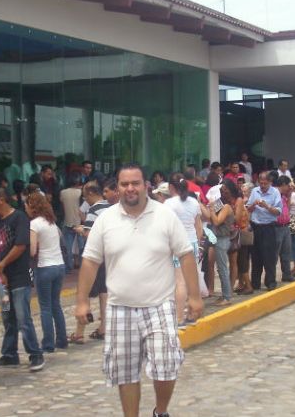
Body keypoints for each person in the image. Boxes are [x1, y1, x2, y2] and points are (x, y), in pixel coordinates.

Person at [76, 163, 202, 417]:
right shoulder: (105, 220)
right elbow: (90, 261)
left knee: (166, 365)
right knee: (125, 370)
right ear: (117, 188)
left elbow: (186, 255)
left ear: (146, 186)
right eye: (124, 184)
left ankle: (161, 411)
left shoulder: (165, 215)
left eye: (135, 183)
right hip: (120, 308)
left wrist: (195, 296)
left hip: (159, 305)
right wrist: (81, 302)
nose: (130, 188)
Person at [0, 187, 45, 371]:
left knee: (23, 317)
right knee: (7, 315)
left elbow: (20, 246)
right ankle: (9, 353)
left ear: (2, 199)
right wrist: (0, 271)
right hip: (4, 281)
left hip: (20, 277)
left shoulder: (19, 218)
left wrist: (3, 264)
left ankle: (35, 354)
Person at [25, 192, 68, 352]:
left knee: (45, 307)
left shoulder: (34, 224)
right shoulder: (52, 222)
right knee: (56, 304)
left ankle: (48, 343)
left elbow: (32, 250)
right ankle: (62, 339)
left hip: (45, 267)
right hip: (59, 266)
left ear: (32, 207)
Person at [69, 181, 111, 343]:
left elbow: (89, 235)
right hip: (108, 254)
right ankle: (104, 328)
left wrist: (81, 230)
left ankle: (79, 332)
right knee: (104, 292)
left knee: (84, 290)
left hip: (95, 256)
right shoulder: (110, 207)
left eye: (85, 196)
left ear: (92, 194)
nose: (85, 200)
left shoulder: (94, 210)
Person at [165, 172, 205, 320]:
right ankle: (191, 314)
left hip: (177, 246)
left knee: (179, 282)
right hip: (192, 243)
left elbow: (166, 228)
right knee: (191, 281)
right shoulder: (194, 202)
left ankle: (179, 317)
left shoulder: (169, 204)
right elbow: (199, 227)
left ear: (171, 187)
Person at [246, 171, 283, 291]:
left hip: (269, 227)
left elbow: (278, 211)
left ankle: (270, 282)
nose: (262, 186)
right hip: (256, 226)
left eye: (265, 184)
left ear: (270, 183)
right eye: (261, 183)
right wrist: (254, 205)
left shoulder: (275, 192)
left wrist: (267, 206)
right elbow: (248, 209)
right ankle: (255, 283)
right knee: (256, 257)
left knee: (269, 256)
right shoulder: (255, 191)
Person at [207, 179, 238, 306]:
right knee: (221, 268)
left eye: (224, 190)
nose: (222, 192)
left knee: (223, 269)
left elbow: (217, 221)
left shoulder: (226, 207)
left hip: (222, 239)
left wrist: (212, 209)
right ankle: (225, 295)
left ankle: (226, 297)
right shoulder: (223, 205)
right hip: (220, 239)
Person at [60, 173, 84, 272]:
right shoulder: (80, 192)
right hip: (79, 223)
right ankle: (84, 266)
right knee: (82, 247)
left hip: (67, 222)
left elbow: (61, 203)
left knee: (68, 247)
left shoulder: (63, 192)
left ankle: (68, 267)